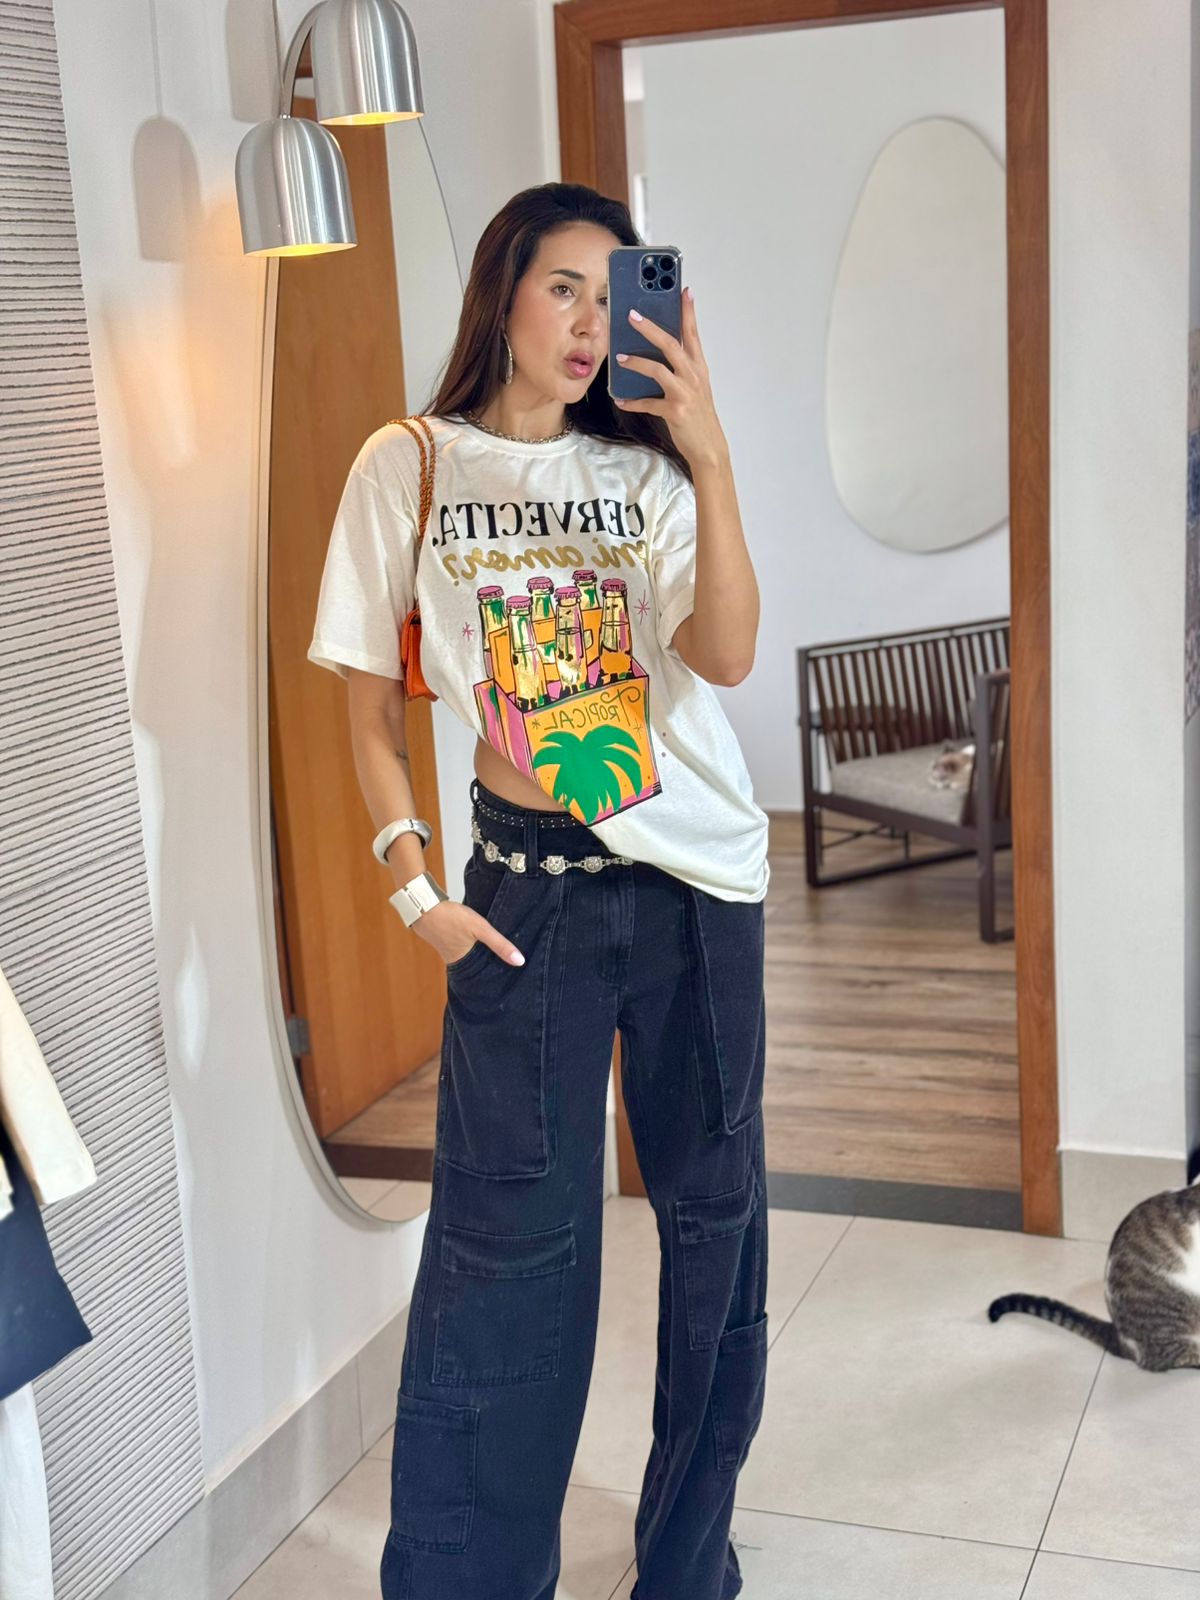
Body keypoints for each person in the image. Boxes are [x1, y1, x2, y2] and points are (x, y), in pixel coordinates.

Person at [308, 181, 770, 1600]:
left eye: (611, 293)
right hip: (522, 900)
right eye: (562, 285)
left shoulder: (648, 476)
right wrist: (416, 892)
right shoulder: (410, 465)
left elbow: (727, 657)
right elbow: (367, 707)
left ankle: (686, 1567)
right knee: (504, 1246)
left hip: (694, 885)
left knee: (713, 1229)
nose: (586, 321)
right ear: (502, 291)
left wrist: (708, 451)